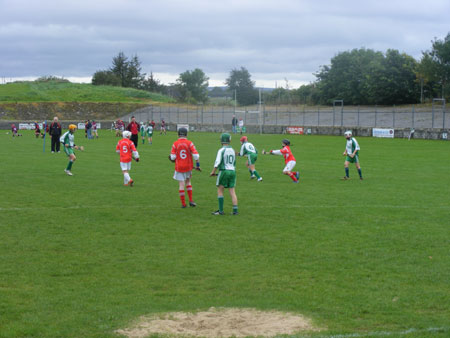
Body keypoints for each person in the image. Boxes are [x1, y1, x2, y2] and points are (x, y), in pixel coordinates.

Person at [169, 127, 201, 208]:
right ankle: (191, 201)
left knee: (181, 184)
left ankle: (183, 204)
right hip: (188, 166)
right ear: (186, 134)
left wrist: (172, 157)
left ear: (178, 134)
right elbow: (196, 156)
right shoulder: (190, 143)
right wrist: (197, 165)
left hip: (179, 167)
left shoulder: (175, 144)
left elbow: (172, 158)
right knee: (188, 182)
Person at [210, 133, 238, 215]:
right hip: (232, 171)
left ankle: (221, 211)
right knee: (232, 191)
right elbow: (234, 162)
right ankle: (235, 211)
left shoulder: (221, 150)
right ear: (230, 140)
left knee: (220, 189)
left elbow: (217, 161)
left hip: (224, 171)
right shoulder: (233, 150)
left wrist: (213, 171)